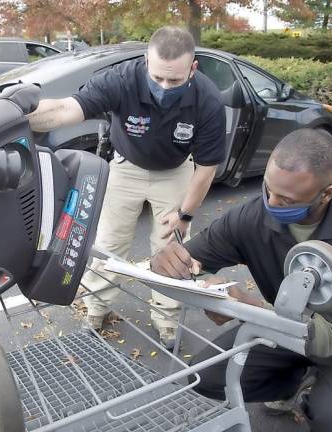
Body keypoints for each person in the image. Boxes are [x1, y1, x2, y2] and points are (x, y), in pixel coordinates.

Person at [151, 129, 332, 431]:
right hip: (276, 325)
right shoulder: (251, 216)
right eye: (269, 189)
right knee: (207, 377)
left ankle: (326, 393)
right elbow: (192, 261)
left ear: (327, 194)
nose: (272, 204)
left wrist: (248, 307)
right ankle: (290, 383)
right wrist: (165, 261)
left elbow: (331, 337)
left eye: (287, 199)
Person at [26, 26, 227, 349]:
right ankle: (96, 308)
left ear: (193, 69)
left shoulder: (208, 101)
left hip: (175, 172)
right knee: (108, 243)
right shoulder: (122, 79)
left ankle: (167, 320)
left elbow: (206, 168)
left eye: (174, 81)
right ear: (146, 59)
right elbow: (67, 109)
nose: (163, 87)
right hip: (126, 167)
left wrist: (185, 215)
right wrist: (16, 116)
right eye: (157, 76)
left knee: (172, 249)